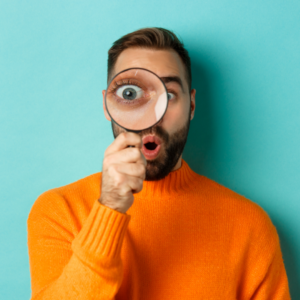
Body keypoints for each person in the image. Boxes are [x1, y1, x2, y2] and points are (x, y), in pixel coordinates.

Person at [27, 27, 291, 300]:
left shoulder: (250, 226)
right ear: (107, 107)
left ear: (191, 106)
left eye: (170, 94)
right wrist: (109, 211)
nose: (152, 117)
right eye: (130, 94)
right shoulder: (59, 211)